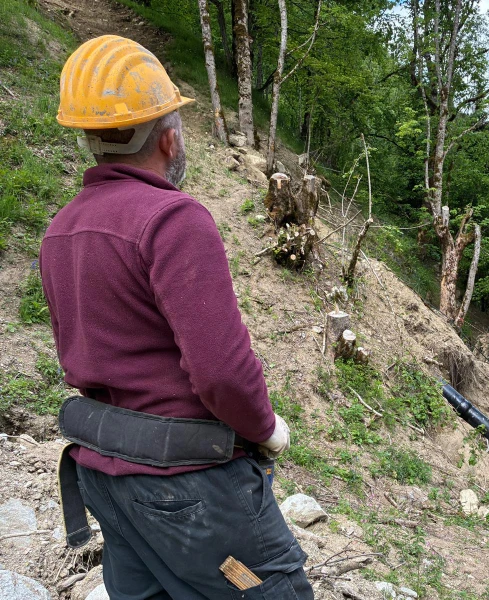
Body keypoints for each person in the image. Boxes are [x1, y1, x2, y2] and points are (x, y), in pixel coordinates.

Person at [41, 35, 312, 599]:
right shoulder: (173, 219)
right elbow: (220, 372)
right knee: (269, 588)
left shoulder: (60, 230)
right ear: (168, 139)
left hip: (108, 480)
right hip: (190, 495)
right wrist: (265, 428)